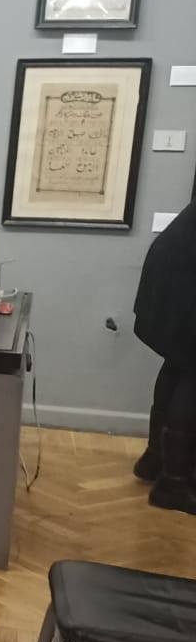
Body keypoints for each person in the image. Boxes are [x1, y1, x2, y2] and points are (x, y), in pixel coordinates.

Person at [132, 201, 196, 513]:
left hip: (172, 263)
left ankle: (156, 458)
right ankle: (173, 483)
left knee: (179, 361)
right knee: (192, 367)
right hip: (185, 275)